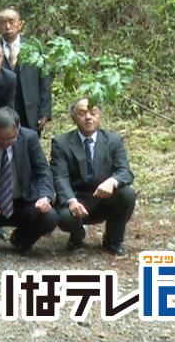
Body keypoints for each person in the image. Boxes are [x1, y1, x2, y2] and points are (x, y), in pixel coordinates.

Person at [0, 106, 58, 257]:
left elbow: (43, 171)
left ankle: (21, 239)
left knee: (49, 217)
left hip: (21, 200)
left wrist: (45, 196)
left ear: (19, 129)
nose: (5, 143)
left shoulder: (29, 138)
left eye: (11, 139)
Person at [51, 98, 136, 255]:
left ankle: (113, 239)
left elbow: (125, 171)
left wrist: (112, 181)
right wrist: (71, 201)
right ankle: (77, 235)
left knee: (127, 193)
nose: (88, 117)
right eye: (82, 113)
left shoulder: (113, 140)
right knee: (63, 217)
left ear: (100, 116)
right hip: (76, 199)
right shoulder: (61, 142)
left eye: (93, 112)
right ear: (74, 117)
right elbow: (59, 176)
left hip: (103, 198)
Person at [0, 7, 53, 135]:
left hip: (30, 111)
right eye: (3, 22)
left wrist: (44, 112)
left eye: (11, 21)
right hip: (1, 112)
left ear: (20, 24)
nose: (7, 26)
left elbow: (45, 81)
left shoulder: (35, 48)